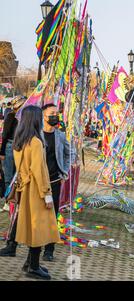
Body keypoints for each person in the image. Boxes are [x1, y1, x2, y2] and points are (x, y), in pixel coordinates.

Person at [9, 106, 60, 280]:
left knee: (32, 227)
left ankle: (30, 263)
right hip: (36, 189)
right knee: (40, 228)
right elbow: (40, 170)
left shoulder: (19, 140)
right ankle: (33, 266)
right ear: (36, 120)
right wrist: (46, 194)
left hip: (25, 187)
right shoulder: (36, 142)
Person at [41, 103, 72, 262]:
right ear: (44, 116)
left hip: (54, 181)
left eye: (57, 113)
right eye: (52, 113)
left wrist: (64, 171)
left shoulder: (59, 135)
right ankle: (31, 245)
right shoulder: (36, 134)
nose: (55, 116)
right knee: (37, 216)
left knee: (52, 216)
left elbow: (69, 153)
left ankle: (49, 249)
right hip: (38, 183)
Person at [0, 96, 26, 196]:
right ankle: (8, 199)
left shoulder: (24, 117)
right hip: (10, 146)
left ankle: (14, 198)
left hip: (21, 146)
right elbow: (5, 134)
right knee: (9, 175)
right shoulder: (11, 116)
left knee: (17, 174)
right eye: (22, 104)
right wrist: (2, 152)